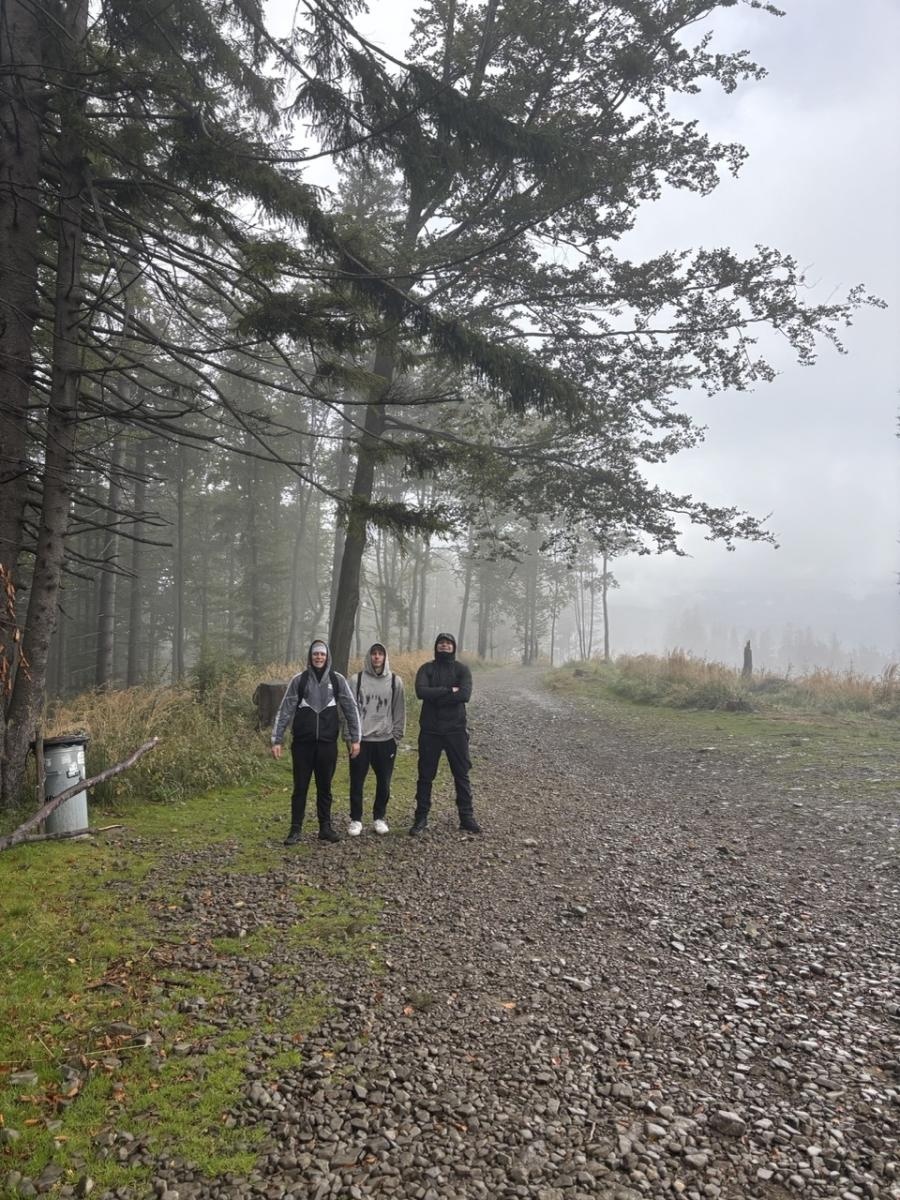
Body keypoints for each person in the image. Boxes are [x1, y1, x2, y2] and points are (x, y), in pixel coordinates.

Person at [271, 640, 361, 844]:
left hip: (328, 744)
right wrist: (277, 740)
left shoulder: (337, 680)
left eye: (322, 654)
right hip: (302, 745)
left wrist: (355, 739)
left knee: (325, 788)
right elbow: (285, 710)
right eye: (315, 654)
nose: (319, 657)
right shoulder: (299, 680)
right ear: (310, 657)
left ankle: (325, 828)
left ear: (327, 656)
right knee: (300, 788)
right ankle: (295, 830)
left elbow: (351, 709)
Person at [410, 632, 481, 835]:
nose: (444, 646)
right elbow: (421, 692)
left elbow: (465, 695)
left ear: (453, 647)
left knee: (461, 774)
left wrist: (438, 695)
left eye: (448, 643)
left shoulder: (462, 669)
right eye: (441, 643)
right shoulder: (427, 668)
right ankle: (421, 817)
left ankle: (466, 817)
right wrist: (450, 691)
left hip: (456, 730)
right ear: (436, 646)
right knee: (425, 776)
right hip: (430, 730)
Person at [346, 642, 406, 836]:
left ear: (385, 657)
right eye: (374, 653)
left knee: (384, 782)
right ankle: (356, 819)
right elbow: (348, 709)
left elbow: (399, 710)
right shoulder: (357, 680)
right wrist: (350, 737)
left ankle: (379, 817)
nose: (377, 657)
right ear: (369, 657)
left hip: (385, 740)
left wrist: (396, 736)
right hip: (361, 741)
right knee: (356, 781)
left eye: (380, 653)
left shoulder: (395, 681)